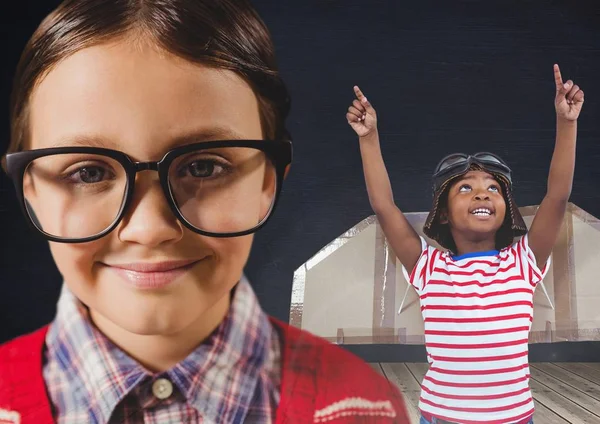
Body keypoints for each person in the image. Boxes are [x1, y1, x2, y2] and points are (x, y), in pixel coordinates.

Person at [0, 1, 410, 423]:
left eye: (203, 167)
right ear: (30, 189)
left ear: (268, 182)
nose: (149, 228)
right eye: (87, 172)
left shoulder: (365, 407)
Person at [346, 65, 584, 424]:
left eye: (493, 187)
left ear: (506, 210)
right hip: (441, 418)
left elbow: (558, 195)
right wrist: (368, 137)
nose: (481, 194)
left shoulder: (523, 262)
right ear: (442, 214)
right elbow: (383, 206)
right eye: (465, 188)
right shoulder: (429, 268)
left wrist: (566, 123)